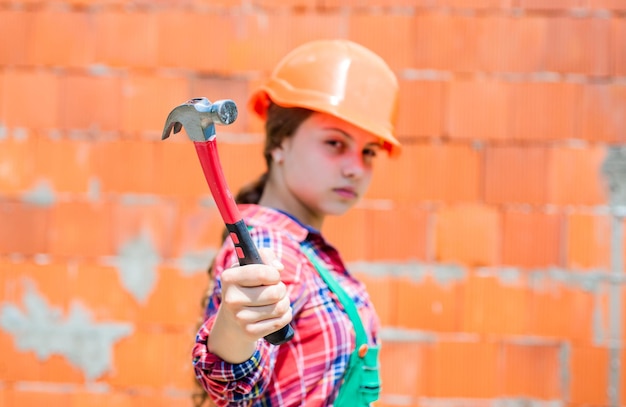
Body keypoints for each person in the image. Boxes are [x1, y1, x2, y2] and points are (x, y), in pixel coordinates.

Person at [191, 39, 401, 407]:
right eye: (335, 143)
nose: (355, 168)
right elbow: (234, 385)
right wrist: (235, 331)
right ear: (279, 144)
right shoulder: (273, 250)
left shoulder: (304, 250)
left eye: (368, 151)